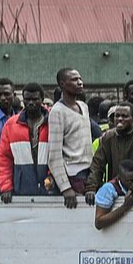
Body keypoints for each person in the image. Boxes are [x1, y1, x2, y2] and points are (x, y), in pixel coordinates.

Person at [0, 83, 57, 197]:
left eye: (35, 99)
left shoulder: (54, 122)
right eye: (27, 99)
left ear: (42, 100)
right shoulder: (11, 124)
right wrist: (6, 187)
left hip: (51, 188)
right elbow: (3, 159)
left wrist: (53, 176)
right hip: (21, 190)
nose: (31, 103)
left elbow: (60, 154)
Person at [51, 68, 94, 206]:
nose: (80, 82)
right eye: (74, 80)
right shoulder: (57, 112)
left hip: (89, 173)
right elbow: (54, 155)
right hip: (73, 175)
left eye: (80, 79)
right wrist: (65, 187)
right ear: (62, 84)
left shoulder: (83, 107)